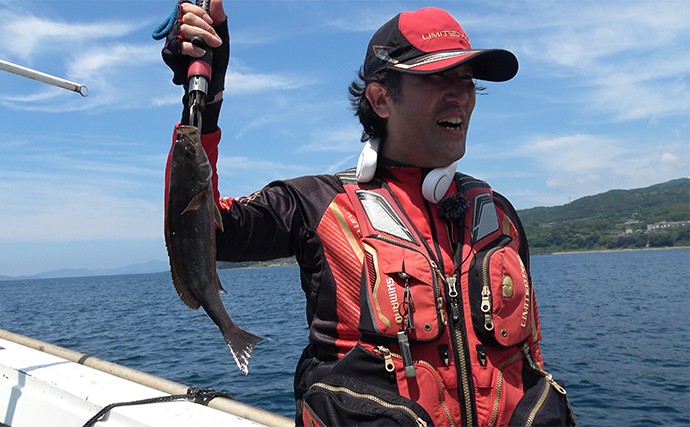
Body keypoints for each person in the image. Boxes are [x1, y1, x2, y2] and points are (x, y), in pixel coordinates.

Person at [162, 1, 577, 426]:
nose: (461, 94)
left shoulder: (499, 217)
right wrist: (203, 102)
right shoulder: (316, 206)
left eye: (467, 80)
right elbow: (204, 230)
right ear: (381, 98)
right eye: (437, 78)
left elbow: (530, 358)